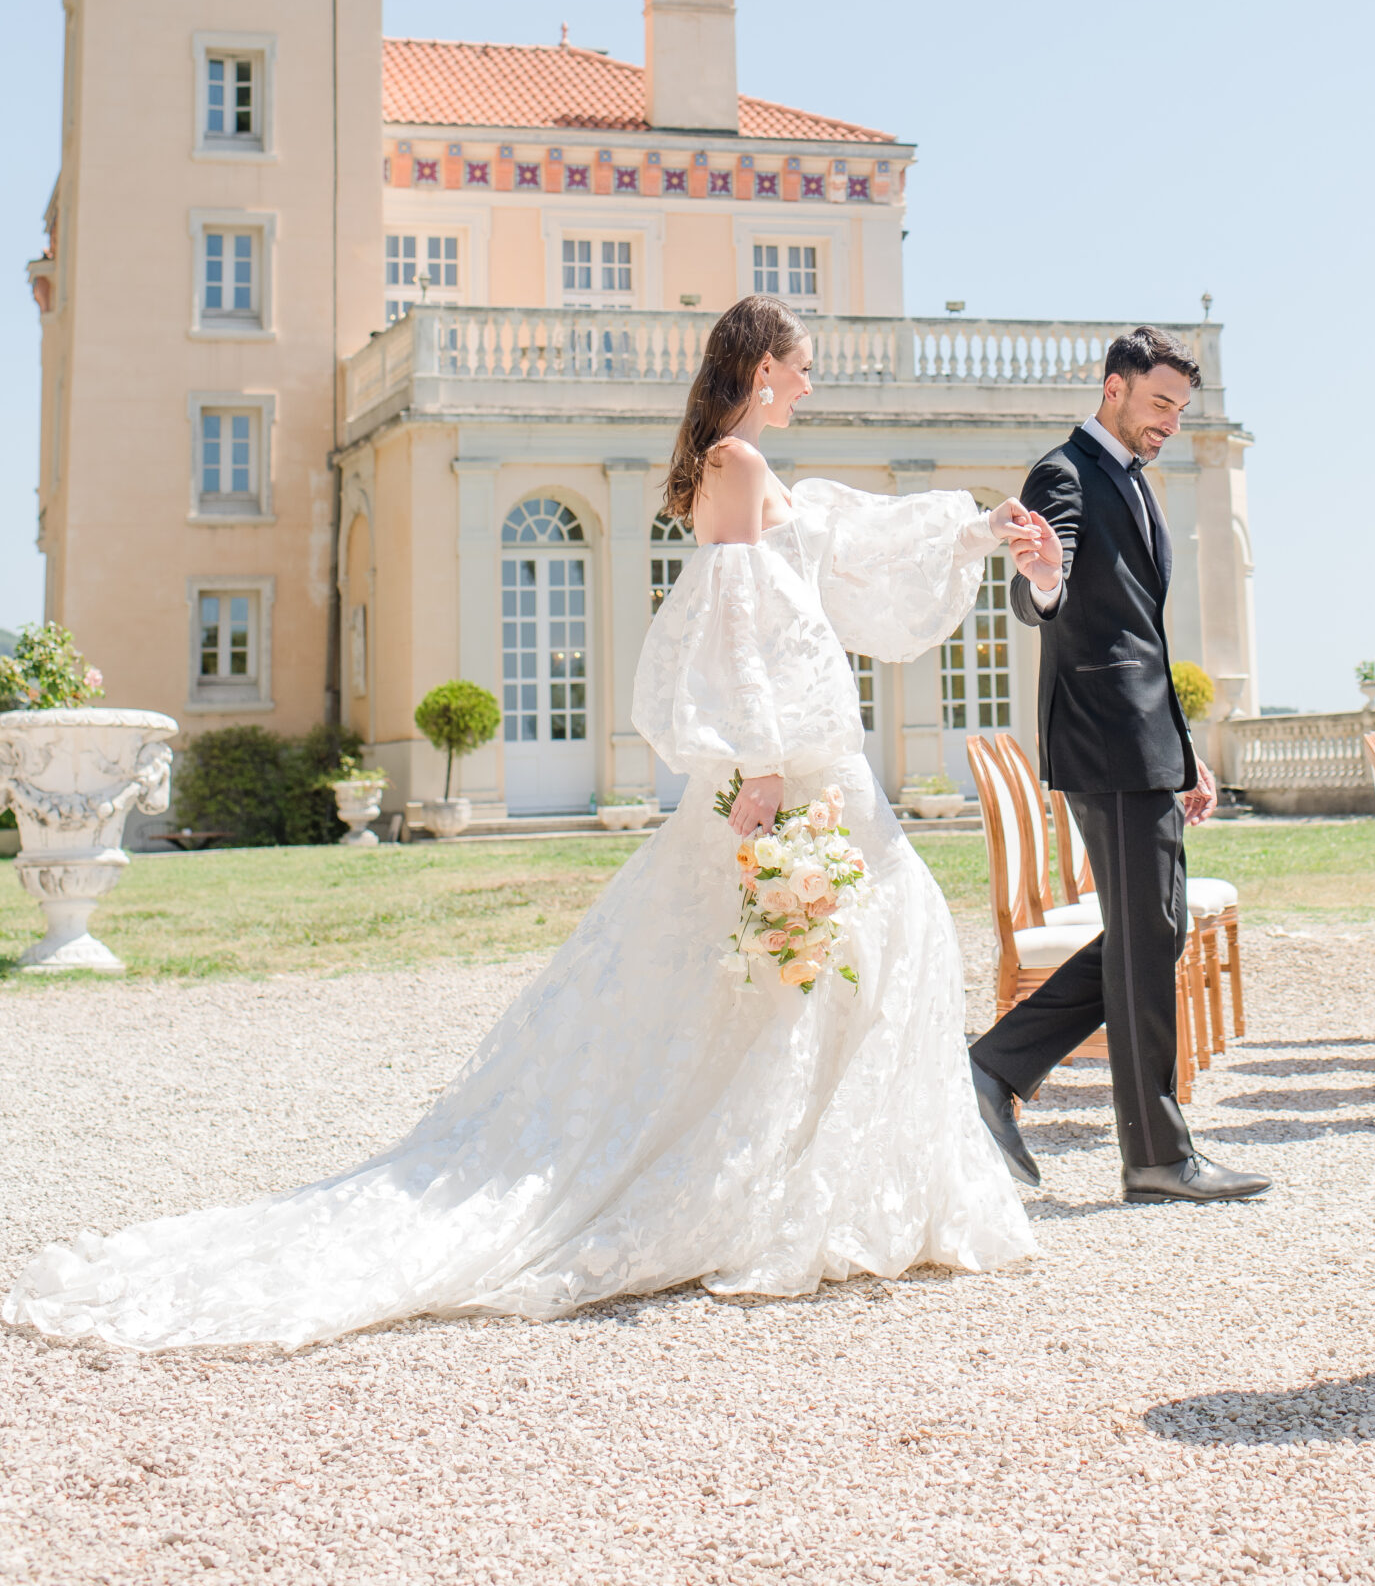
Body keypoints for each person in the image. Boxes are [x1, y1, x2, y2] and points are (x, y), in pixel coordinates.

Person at [4, 297, 1065, 1351]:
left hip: (808, 755)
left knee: (827, 953)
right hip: (789, 760)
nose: (810, 383)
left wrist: (976, 528)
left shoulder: (742, 465)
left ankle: (821, 1182)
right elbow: (735, 628)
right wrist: (759, 762)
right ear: (759, 369)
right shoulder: (737, 469)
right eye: (800, 367)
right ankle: (784, 1188)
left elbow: (845, 544)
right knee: (844, 941)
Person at [967, 327, 1271, 1205]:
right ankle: (1155, 1154)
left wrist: (1182, 756)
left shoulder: (1136, 484)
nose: (1171, 420)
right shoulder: (1063, 473)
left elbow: (1145, 634)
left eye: (1180, 406)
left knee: (1154, 933)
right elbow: (1038, 591)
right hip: (1102, 734)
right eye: (1159, 403)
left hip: (1141, 739)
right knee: (1150, 936)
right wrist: (1047, 577)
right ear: (1113, 390)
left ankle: (992, 1068)